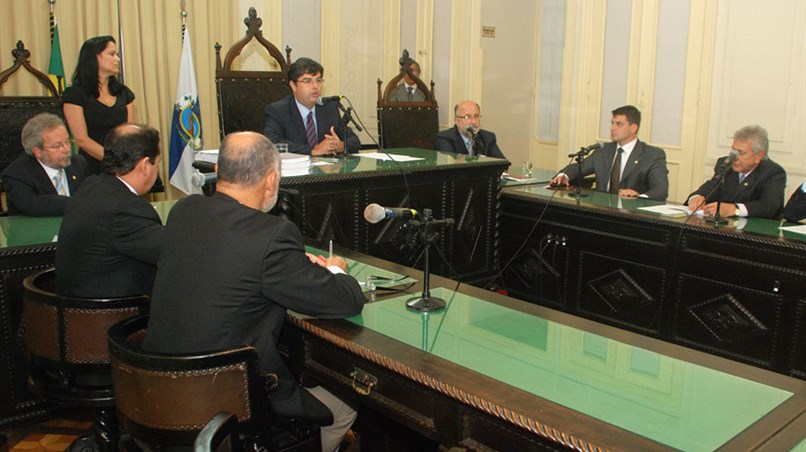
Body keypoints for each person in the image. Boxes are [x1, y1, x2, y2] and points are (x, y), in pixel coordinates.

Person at [143, 132, 365, 452]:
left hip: (158, 391)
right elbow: (346, 300)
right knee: (345, 408)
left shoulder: (184, 211)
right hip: (227, 402)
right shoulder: (272, 235)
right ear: (271, 179)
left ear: (218, 170)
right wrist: (335, 269)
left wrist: (292, 265)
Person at [55, 123, 164, 298]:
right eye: (157, 164)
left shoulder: (91, 186)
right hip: (111, 310)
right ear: (144, 165)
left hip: (75, 302)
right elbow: (172, 252)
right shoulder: (127, 208)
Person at [551, 105, 669, 200]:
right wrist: (563, 176)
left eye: (619, 124)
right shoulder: (603, 150)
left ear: (633, 128)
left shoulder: (652, 155)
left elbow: (660, 190)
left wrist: (638, 196)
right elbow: (579, 167)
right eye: (612, 123)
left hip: (633, 214)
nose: (612, 128)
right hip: (601, 211)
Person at [63, 36, 136, 175]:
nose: (117, 59)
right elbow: (82, 139)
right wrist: (114, 162)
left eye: (117, 55)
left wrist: (126, 162)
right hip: (92, 167)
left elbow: (131, 132)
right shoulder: (75, 95)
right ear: (94, 57)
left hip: (123, 165)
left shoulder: (124, 93)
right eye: (112, 54)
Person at [263, 57, 360, 156]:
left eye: (318, 80)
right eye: (307, 81)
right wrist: (313, 150)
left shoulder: (329, 108)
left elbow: (354, 141)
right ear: (293, 85)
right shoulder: (278, 111)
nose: (315, 86)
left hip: (327, 166)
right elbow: (271, 144)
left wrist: (339, 146)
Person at [687, 125, 786, 219]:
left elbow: (769, 206)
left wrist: (735, 209)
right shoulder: (726, 164)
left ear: (758, 156)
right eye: (734, 151)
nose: (735, 157)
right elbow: (712, 186)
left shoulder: (773, 172)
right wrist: (697, 197)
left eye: (741, 153)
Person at [2, 113, 88, 216]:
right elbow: (33, 205)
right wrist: (79, 202)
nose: (67, 149)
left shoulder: (78, 164)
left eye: (68, 142)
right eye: (57, 146)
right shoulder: (16, 174)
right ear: (37, 151)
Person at [435, 100, 506, 159]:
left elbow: (502, 163)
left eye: (476, 116)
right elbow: (450, 167)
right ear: (456, 121)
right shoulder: (445, 138)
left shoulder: (487, 137)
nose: (474, 122)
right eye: (467, 117)